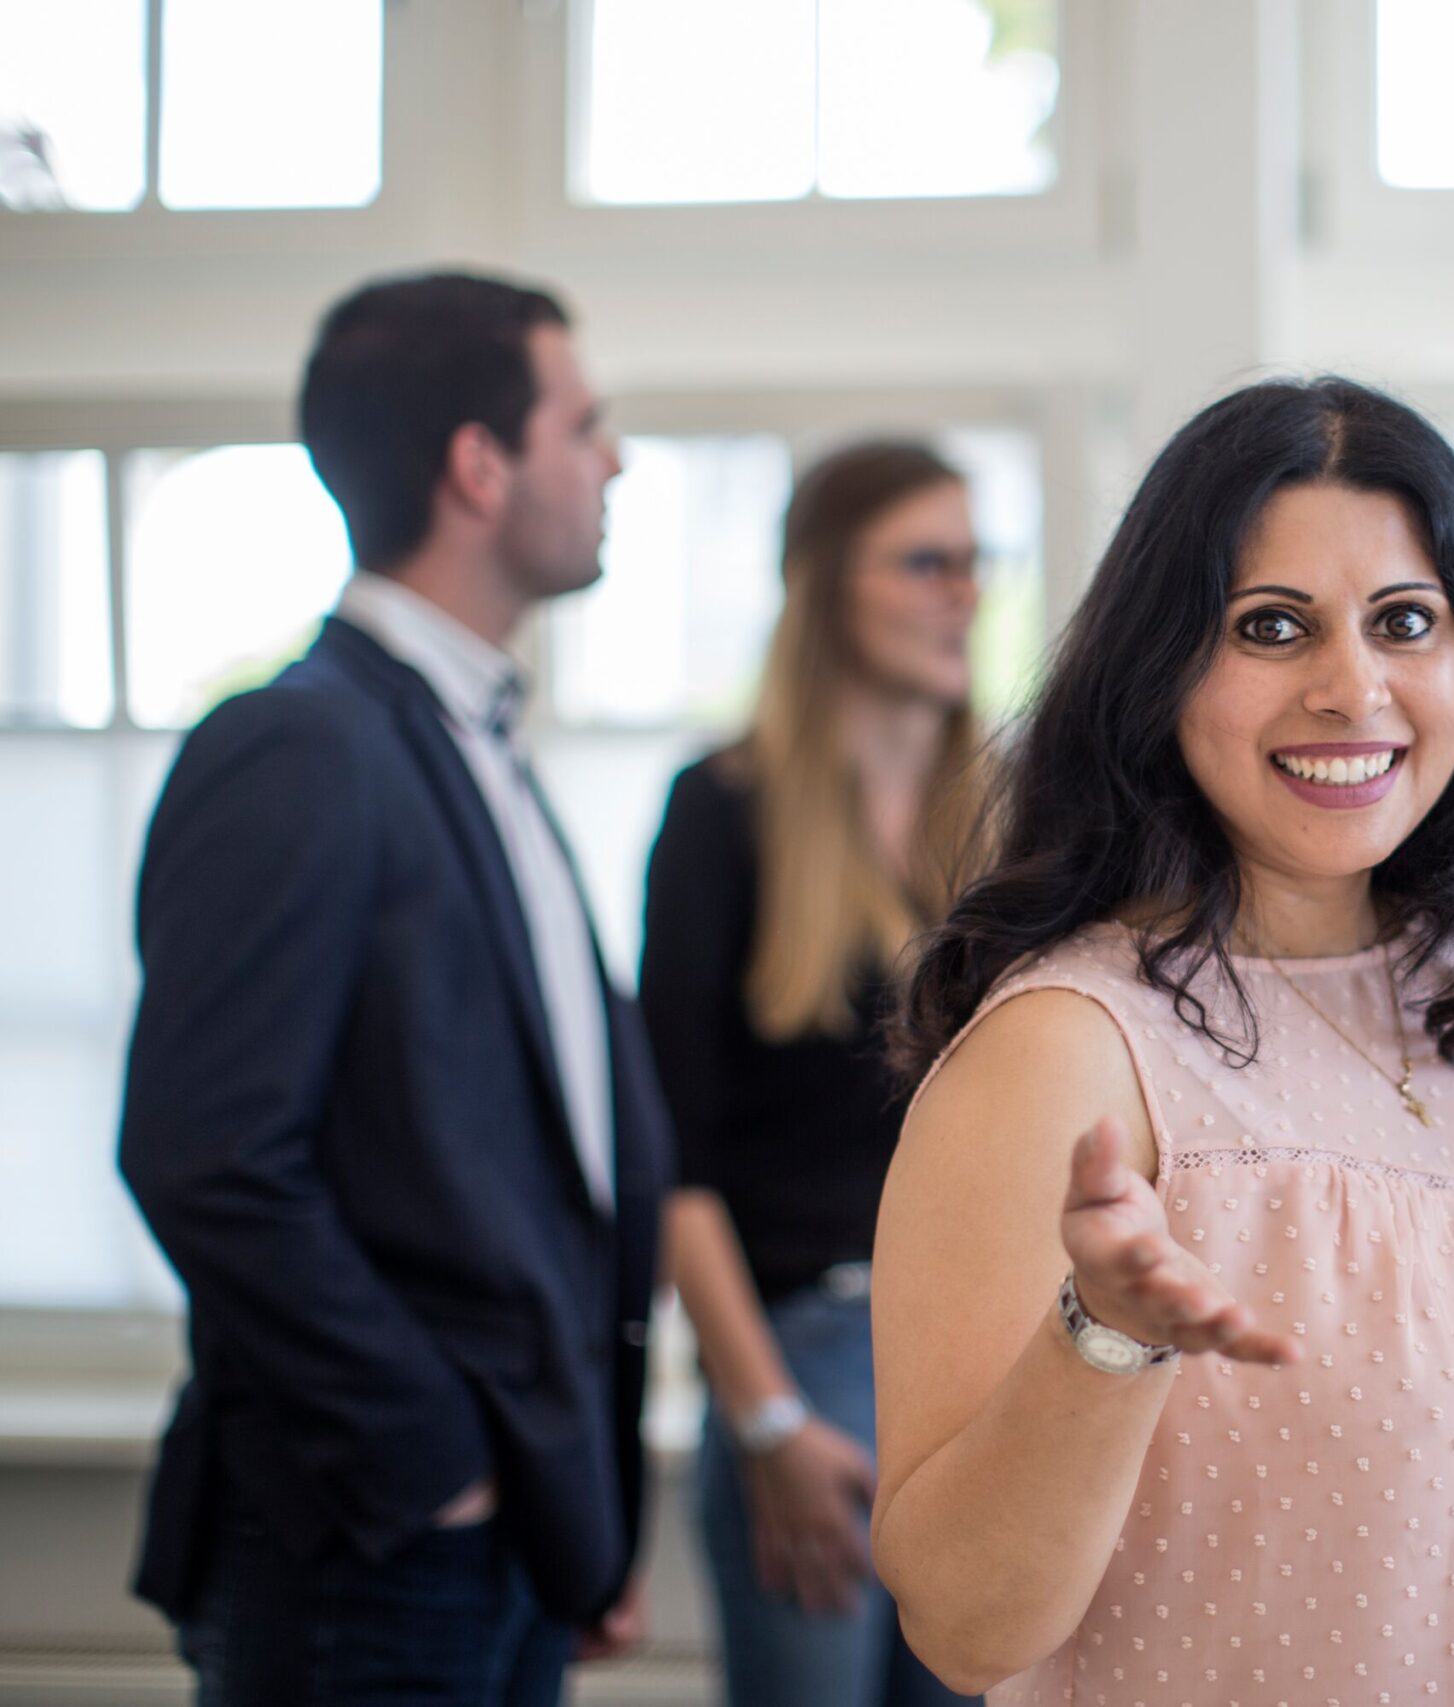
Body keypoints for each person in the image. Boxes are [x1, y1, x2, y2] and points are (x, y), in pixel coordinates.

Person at [867, 377, 1454, 1702]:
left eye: (1405, 622)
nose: (1352, 686)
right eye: (1272, 626)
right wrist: (1104, 1333)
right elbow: (968, 1625)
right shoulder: (1066, 1050)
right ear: (1160, 670)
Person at [118, 272, 672, 1705]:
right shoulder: (298, 748)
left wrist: (574, 1502)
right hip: (376, 1534)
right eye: (584, 424)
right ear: (479, 465)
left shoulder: (471, 740)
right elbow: (209, 1154)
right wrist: (435, 1464)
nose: (613, 459)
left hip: (516, 1533)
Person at [639, 440, 987, 1707]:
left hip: (983, 1361)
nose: (964, 591)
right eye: (924, 562)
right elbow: (671, 1164)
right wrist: (769, 1424)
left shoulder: (1006, 832)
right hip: (809, 1355)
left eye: (973, 562)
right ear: (824, 586)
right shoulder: (719, 814)